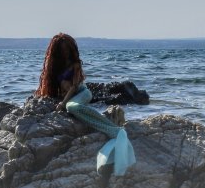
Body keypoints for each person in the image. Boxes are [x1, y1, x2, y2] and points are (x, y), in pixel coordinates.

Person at [35, 33, 135, 175]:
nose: (65, 52)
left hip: (82, 92)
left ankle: (112, 128)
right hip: (71, 96)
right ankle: (112, 128)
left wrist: (63, 103)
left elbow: (73, 87)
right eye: (61, 50)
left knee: (71, 107)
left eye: (67, 49)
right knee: (73, 108)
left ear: (71, 49)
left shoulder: (75, 64)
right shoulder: (57, 67)